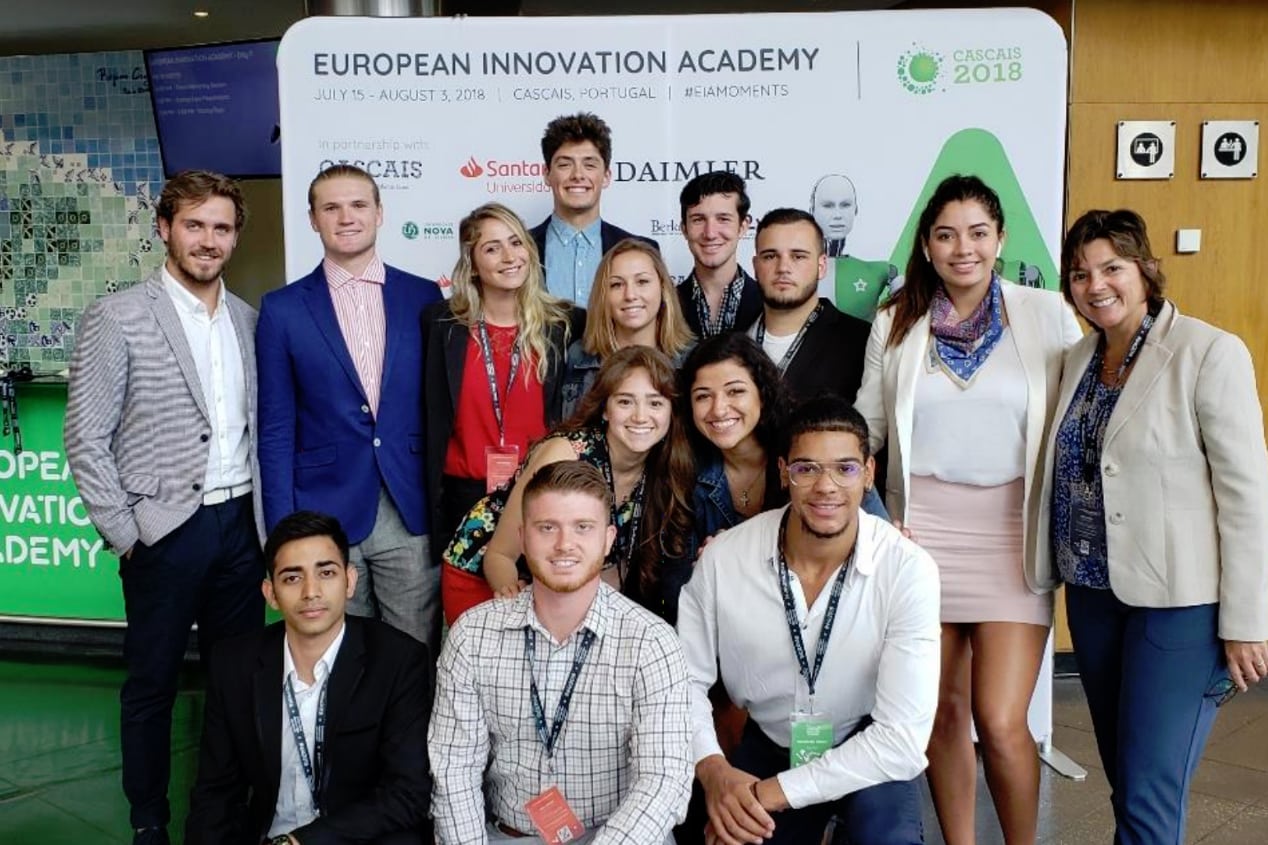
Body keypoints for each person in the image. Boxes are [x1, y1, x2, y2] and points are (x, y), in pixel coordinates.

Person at [853, 174, 1081, 845]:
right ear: (926, 245)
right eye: (947, 234)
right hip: (923, 534)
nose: (963, 248)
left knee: (1003, 717)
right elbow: (865, 429)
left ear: (1000, 237)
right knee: (941, 713)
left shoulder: (1048, 314)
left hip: (1014, 536)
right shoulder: (896, 323)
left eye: (978, 233)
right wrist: (869, 512)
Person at [1039, 209, 1268, 843]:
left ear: (1145, 269)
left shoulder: (1208, 351)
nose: (1095, 284)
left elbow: (1247, 495)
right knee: (1128, 782)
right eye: (1081, 273)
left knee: (1147, 790)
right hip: (1091, 596)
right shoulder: (1077, 358)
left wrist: (1248, 622)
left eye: (1112, 267)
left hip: (1178, 604)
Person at [64, 170, 265, 845]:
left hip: (240, 528)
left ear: (236, 236)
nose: (208, 240)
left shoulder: (248, 320)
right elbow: (85, 436)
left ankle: (221, 812)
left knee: (235, 685)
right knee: (151, 683)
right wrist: (127, 534)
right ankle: (148, 818)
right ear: (165, 228)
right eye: (194, 225)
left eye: (221, 227)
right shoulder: (118, 316)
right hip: (164, 533)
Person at [677, 396, 940, 845]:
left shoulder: (907, 568)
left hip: (866, 745)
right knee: (723, 836)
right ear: (784, 472)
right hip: (771, 741)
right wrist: (714, 770)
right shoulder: (725, 560)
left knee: (890, 840)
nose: (826, 487)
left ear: (869, 473)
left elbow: (900, 738)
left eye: (845, 468)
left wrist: (770, 794)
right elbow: (682, 684)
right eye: (806, 469)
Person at [429, 460, 694, 844]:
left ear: (607, 539)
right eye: (547, 527)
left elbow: (663, 781)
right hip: (509, 835)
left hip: (617, 835)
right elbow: (454, 771)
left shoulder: (651, 642)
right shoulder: (472, 635)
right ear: (522, 537)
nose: (564, 544)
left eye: (582, 527)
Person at [256, 164, 443, 655]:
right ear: (313, 220)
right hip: (323, 511)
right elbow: (275, 429)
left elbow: (438, 407)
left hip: (409, 509)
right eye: (331, 207)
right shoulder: (282, 308)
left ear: (380, 213)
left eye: (358, 205)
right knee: (337, 657)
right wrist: (281, 533)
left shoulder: (424, 295)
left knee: (413, 653)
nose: (346, 217)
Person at [185, 510, 432, 845]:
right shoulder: (234, 664)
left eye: (326, 573)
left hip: (360, 838)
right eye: (292, 578)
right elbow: (215, 794)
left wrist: (302, 842)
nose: (311, 591)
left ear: (350, 581)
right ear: (270, 593)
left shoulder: (398, 660)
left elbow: (407, 794)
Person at [443, 346, 695, 624]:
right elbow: (499, 556)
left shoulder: (663, 469)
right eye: (625, 402)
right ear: (605, 410)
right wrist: (515, 606)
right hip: (489, 575)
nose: (640, 416)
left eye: (655, 403)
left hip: (559, 585)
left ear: (672, 413)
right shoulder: (565, 453)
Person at [422, 202, 584, 568]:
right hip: (462, 499)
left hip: (541, 494)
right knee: (466, 618)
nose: (509, 257)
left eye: (516, 242)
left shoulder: (565, 323)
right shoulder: (441, 325)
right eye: (492, 248)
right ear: (472, 263)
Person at [528, 112, 658, 303]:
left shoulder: (644, 250)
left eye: (589, 165)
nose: (578, 175)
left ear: (606, 176)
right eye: (565, 164)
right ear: (547, 174)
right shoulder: (521, 248)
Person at [744, 208, 871, 404]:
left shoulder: (863, 342)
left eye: (798, 256)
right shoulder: (733, 339)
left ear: (821, 266)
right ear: (755, 265)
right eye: (770, 256)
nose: (783, 268)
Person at [560, 238, 694, 417]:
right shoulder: (577, 356)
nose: (630, 295)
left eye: (642, 282)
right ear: (604, 295)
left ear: (663, 288)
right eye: (617, 284)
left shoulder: (692, 359)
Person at [680, 332, 791, 547]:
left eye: (735, 391)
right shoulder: (684, 471)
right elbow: (674, 575)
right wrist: (704, 567)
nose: (719, 409)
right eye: (703, 396)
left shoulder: (806, 453)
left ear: (763, 393)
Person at [676, 171, 762, 338]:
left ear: (743, 226)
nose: (710, 233)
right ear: (684, 229)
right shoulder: (665, 304)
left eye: (723, 219)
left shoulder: (769, 302)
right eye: (698, 219)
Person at [809, 174, 898, 323]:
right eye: (828, 205)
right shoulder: (794, 269)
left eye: (845, 205)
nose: (837, 215)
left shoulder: (879, 271)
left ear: (855, 209)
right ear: (812, 209)